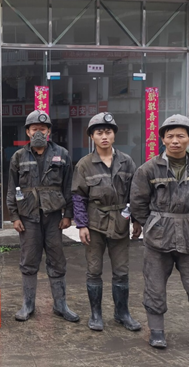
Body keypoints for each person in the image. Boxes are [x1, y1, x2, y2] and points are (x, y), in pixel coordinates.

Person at [130, 114, 189, 358]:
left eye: (181, 136)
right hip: (158, 238)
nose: (175, 140)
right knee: (154, 284)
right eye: (170, 136)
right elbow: (138, 203)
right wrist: (153, 223)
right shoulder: (148, 169)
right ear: (162, 139)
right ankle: (157, 331)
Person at [71, 113, 142, 332]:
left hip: (120, 222)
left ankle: (122, 313)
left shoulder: (126, 162)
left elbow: (135, 193)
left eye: (108, 132)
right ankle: (96, 314)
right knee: (94, 270)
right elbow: (78, 197)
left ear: (114, 135)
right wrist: (81, 225)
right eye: (99, 133)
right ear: (92, 136)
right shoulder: (84, 164)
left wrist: (137, 220)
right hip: (95, 224)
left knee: (121, 270)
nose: (104, 136)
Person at [7, 110, 79, 323]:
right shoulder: (18, 157)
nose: (39, 132)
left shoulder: (62, 154)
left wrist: (68, 214)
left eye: (43, 129)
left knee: (57, 261)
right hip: (28, 218)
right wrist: (14, 216)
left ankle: (60, 305)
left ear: (49, 131)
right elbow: (12, 189)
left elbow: (69, 187)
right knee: (29, 261)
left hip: (54, 218)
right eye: (34, 129)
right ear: (28, 132)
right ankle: (28, 305)